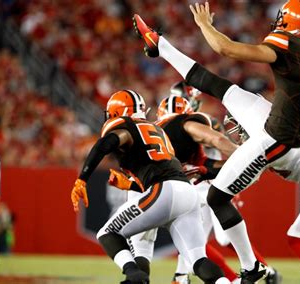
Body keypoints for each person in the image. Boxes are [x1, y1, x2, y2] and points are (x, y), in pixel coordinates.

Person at [132, 8, 300, 283]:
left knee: (216, 198)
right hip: (282, 133)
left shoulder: (288, 43)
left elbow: (225, 48)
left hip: (276, 140)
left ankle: (252, 267)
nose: (278, 21)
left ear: (292, 21)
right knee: (219, 87)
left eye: (284, 16)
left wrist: (203, 25)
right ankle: (160, 45)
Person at [111, 90, 280, 284]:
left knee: (130, 241)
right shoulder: (187, 126)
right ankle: (221, 276)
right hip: (184, 189)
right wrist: (248, 160)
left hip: (161, 188)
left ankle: (181, 276)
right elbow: (214, 144)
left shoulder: (149, 131)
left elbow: (200, 163)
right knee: (197, 247)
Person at [70, 90, 230, 284]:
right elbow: (157, 170)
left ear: (116, 112)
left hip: (164, 190)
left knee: (107, 233)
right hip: (187, 193)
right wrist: (128, 183)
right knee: (198, 261)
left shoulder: (125, 126)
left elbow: (106, 143)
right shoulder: (158, 131)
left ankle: (133, 275)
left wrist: (83, 178)